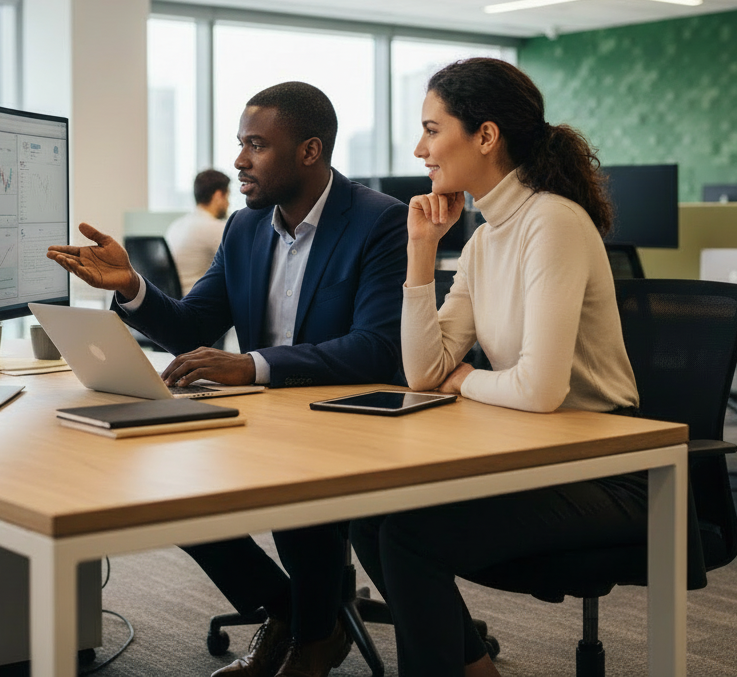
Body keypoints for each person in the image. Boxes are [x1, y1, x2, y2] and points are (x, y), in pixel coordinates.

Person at [47, 81, 407, 677]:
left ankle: (316, 638)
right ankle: (287, 608)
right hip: (268, 416)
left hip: (343, 420)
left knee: (300, 484)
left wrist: (253, 365)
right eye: (241, 144)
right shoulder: (244, 228)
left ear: (310, 151)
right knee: (168, 489)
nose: (240, 160)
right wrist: (131, 287)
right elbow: (193, 323)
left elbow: (375, 347)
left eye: (257, 145)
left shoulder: (378, 222)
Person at [349, 58, 641, 677]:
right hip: (543, 452)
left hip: (611, 469)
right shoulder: (486, 237)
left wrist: (467, 380)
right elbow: (426, 372)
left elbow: (539, 389)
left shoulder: (551, 222)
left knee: (409, 533)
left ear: (485, 136)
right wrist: (422, 251)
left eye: (433, 129)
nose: (420, 148)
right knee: (371, 514)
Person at [165, 168, 230, 294]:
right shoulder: (214, 227)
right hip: (196, 302)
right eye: (227, 197)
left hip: (174, 302)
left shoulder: (176, 225)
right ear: (218, 196)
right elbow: (239, 266)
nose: (228, 204)